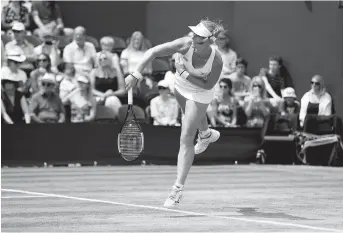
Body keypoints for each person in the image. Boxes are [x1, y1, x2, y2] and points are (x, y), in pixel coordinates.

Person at [125, 19, 224, 208]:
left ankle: (176, 190)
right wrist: (136, 75)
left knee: (186, 136)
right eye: (194, 34)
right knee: (194, 119)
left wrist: (185, 72)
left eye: (200, 38)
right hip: (180, 87)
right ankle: (206, 134)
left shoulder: (216, 60)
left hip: (201, 92)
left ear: (210, 41)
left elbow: (207, 85)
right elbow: (153, 52)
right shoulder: (185, 42)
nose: (194, 39)